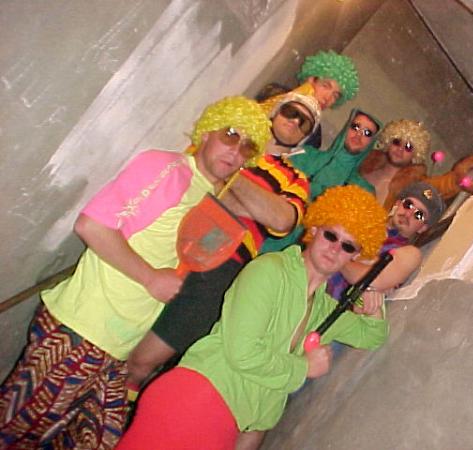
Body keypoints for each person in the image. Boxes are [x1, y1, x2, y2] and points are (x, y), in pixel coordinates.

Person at [0, 96, 271, 449]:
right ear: (207, 132)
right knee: (14, 431)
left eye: (247, 146)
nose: (235, 150)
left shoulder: (204, 197)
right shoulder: (167, 169)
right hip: (80, 333)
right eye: (230, 134)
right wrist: (149, 277)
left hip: (115, 353)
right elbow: (92, 226)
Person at [116, 185, 389, 450]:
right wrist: (303, 368)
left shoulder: (322, 308)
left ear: (356, 255)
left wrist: (370, 299)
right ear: (315, 230)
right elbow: (242, 352)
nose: (335, 249)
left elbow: (372, 335)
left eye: (348, 246)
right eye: (331, 235)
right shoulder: (269, 271)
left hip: (223, 419)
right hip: (195, 400)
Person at [125, 93, 321, 395]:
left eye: (304, 122)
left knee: (142, 362)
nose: (295, 121)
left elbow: (282, 220)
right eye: (291, 112)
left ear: (306, 137)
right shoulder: (228, 137)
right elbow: (193, 180)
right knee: (117, 338)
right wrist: (253, 204)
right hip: (170, 239)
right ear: (275, 111)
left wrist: (230, 173)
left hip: (223, 266)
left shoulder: (295, 178)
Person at [259, 108, 381, 254]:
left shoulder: (363, 191)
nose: (358, 134)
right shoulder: (305, 155)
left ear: (372, 142)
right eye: (355, 127)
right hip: (263, 233)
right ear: (346, 127)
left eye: (367, 133)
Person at [327, 181, 446, 301]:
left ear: (423, 228)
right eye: (408, 204)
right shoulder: (362, 220)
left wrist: (336, 254)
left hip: (330, 303)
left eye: (419, 215)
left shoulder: (409, 254)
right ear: (398, 204)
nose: (408, 214)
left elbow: (369, 281)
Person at [360, 119, 473, 210]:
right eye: (397, 142)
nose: (400, 149)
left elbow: (449, 183)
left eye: (409, 147)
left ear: (416, 154)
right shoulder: (363, 162)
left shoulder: (414, 184)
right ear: (388, 141)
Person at [259, 50, 360, 148]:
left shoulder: (314, 135)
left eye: (335, 95)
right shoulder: (275, 94)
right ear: (311, 80)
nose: (327, 98)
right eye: (325, 86)